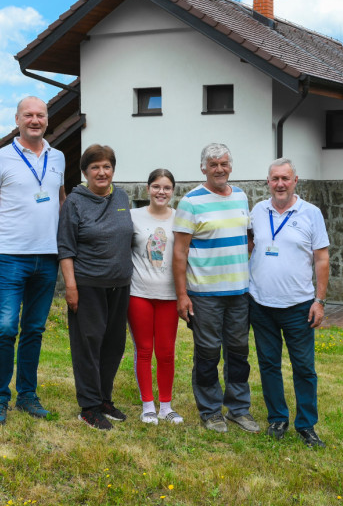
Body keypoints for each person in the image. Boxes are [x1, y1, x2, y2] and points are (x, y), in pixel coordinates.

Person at [0, 96, 66, 426]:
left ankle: (27, 395)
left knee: (34, 330)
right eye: (28, 115)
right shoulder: (0, 159)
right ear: (17, 119)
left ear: (47, 119)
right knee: (5, 328)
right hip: (11, 257)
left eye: (40, 115)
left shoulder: (58, 157)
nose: (35, 120)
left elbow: (60, 200)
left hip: (48, 256)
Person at [172, 143, 259, 433]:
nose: (219, 169)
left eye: (224, 164)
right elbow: (180, 253)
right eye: (213, 165)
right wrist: (182, 295)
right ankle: (210, 411)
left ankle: (238, 409)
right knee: (208, 353)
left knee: (238, 353)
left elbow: (247, 236)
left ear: (230, 166)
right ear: (203, 168)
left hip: (238, 293)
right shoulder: (190, 202)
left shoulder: (241, 197)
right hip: (204, 295)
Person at [248, 158, 330, 447]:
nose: (280, 184)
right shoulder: (258, 211)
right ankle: (277, 418)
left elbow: (322, 258)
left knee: (304, 368)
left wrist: (319, 300)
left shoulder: (311, 213)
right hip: (261, 304)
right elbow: (251, 247)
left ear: (296, 180)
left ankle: (306, 425)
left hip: (298, 306)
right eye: (274, 179)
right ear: (267, 182)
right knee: (269, 365)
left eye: (285, 178)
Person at [57, 144, 133, 430]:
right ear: (86, 172)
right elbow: (65, 247)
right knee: (88, 345)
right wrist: (71, 287)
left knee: (114, 345)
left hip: (120, 284)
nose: (102, 172)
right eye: (95, 167)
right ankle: (88, 407)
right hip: (88, 284)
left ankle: (104, 399)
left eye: (107, 166)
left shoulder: (122, 196)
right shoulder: (75, 203)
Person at [128, 169, 184, 425]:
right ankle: (148, 405)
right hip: (139, 293)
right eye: (156, 186)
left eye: (166, 187)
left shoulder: (180, 218)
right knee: (144, 350)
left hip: (169, 295)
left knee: (166, 352)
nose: (161, 192)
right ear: (148, 188)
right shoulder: (133, 217)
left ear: (173, 191)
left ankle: (166, 406)